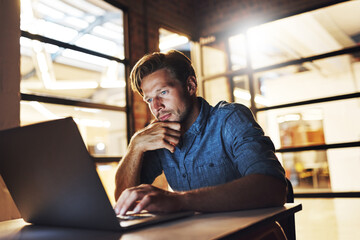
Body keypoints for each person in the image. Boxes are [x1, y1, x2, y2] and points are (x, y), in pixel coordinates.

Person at [114, 50, 287, 216]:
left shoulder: (229, 119)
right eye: (149, 99)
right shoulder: (159, 135)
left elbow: (273, 187)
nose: (156, 106)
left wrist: (179, 201)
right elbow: (123, 199)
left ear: (190, 86)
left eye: (163, 92)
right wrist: (135, 146)